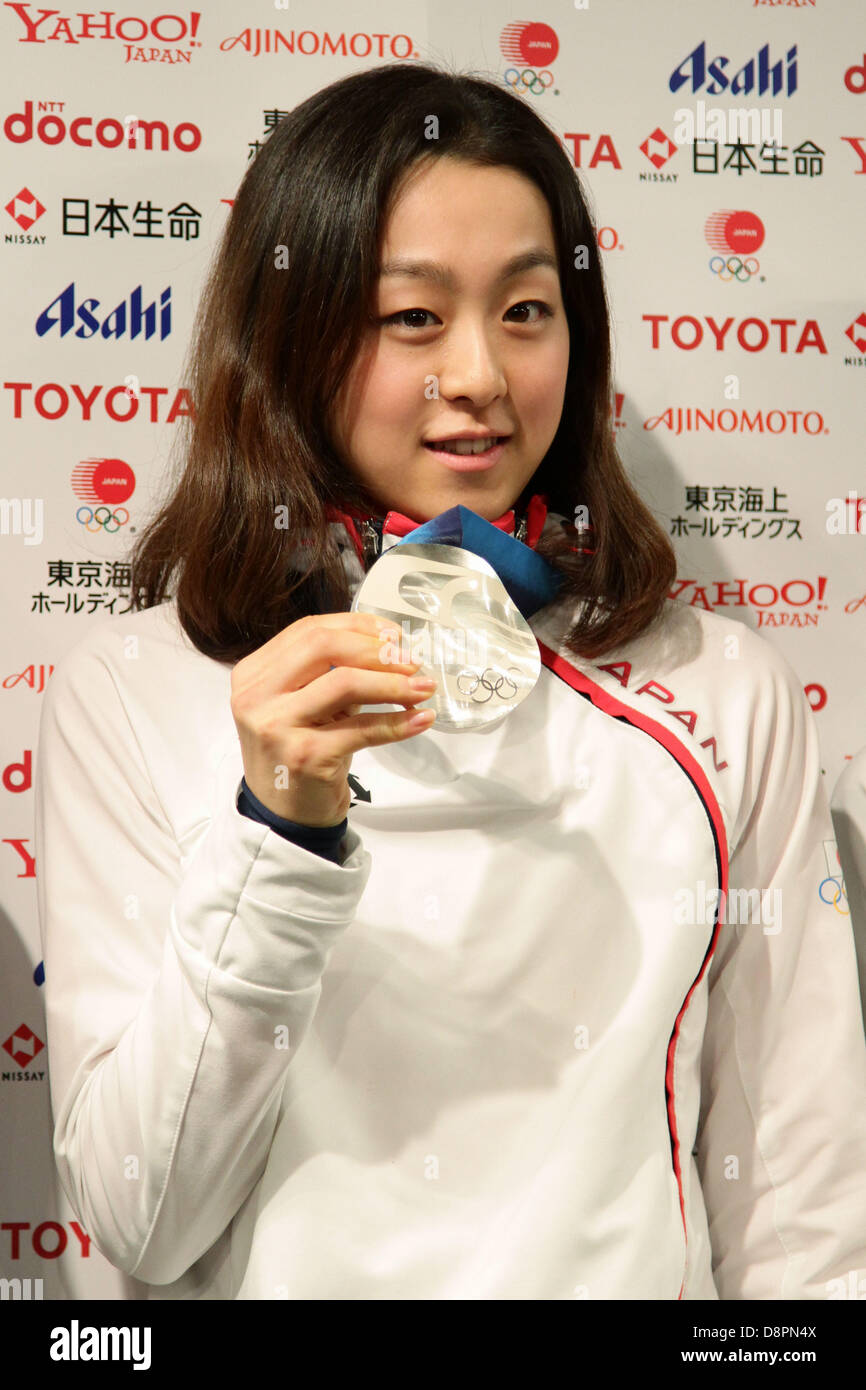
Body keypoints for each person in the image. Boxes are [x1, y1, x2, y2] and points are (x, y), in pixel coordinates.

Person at [34, 61, 866, 1301]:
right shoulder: (136, 689)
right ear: (290, 333)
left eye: (524, 310)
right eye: (411, 317)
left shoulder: (718, 689)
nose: (477, 373)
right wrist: (282, 831)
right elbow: (139, 1223)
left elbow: (801, 1202)